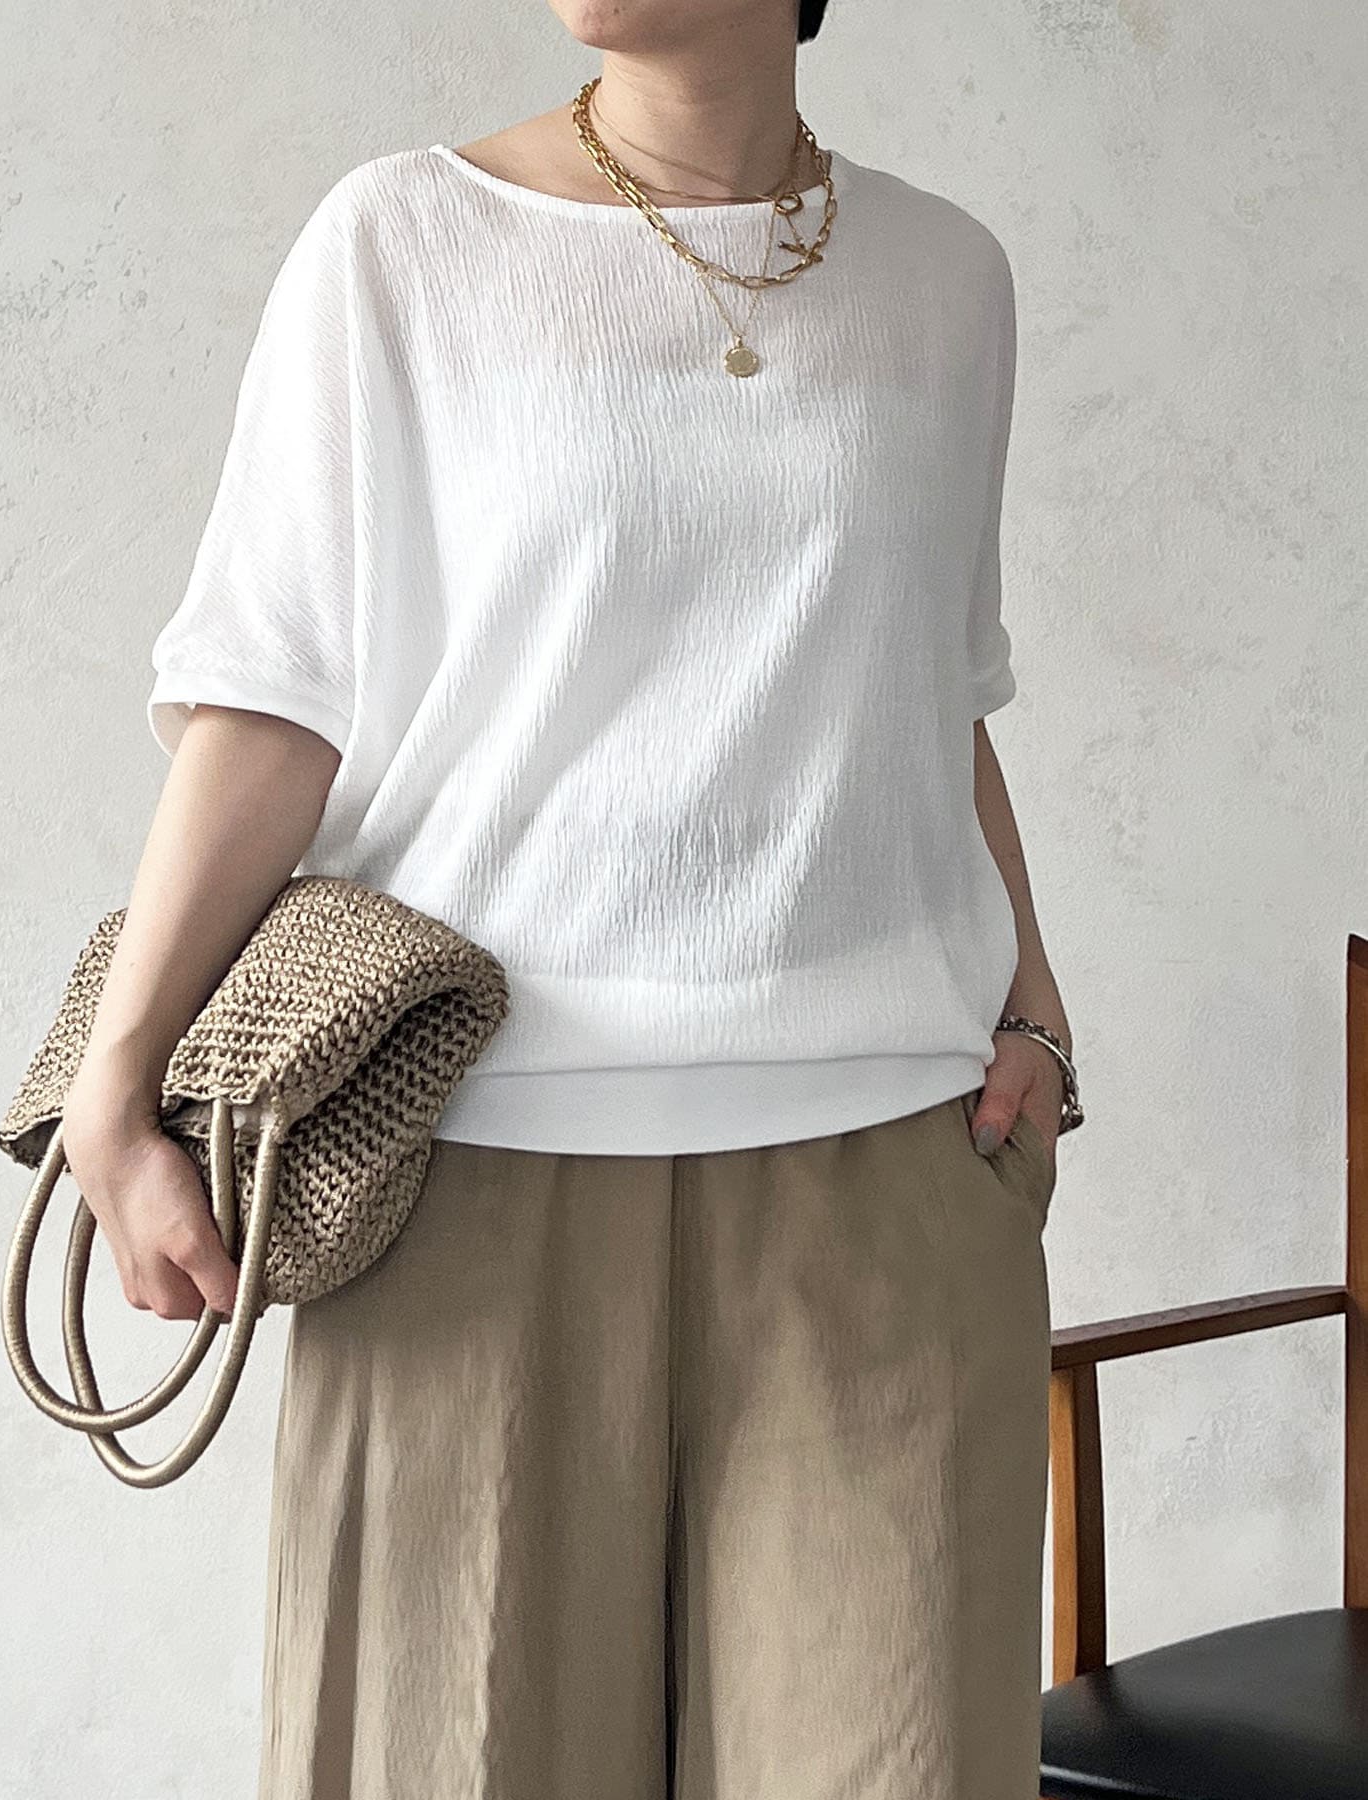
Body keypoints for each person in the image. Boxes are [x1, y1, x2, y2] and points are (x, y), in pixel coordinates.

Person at [61, 0, 1082, 1793]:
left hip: (889, 1183)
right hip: (466, 1176)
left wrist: (1037, 1008)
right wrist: (116, 1078)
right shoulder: (400, 244)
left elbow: (932, 687)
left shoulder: (949, 280)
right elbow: (272, 700)